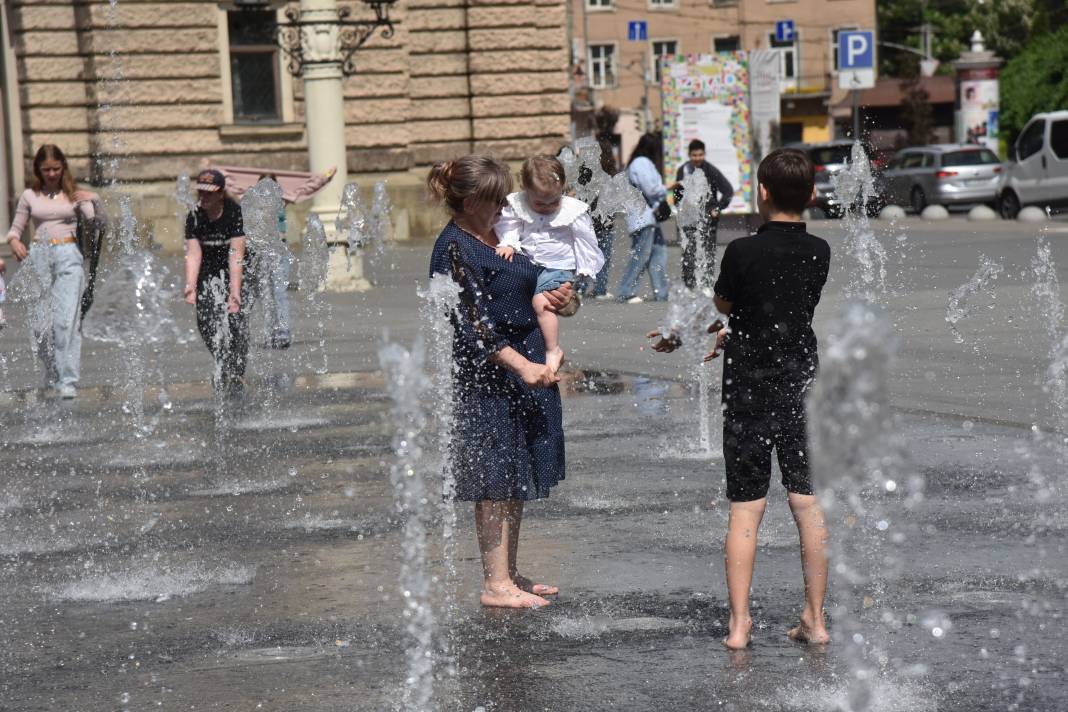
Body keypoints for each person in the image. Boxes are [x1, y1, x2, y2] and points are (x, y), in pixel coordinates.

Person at [647, 148, 831, 649]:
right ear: (812, 195)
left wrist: (702, 331)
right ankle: (815, 620)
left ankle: (738, 626)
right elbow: (784, 312)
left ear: (763, 193)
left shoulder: (741, 252)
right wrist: (734, 328)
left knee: (746, 509)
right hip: (799, 383)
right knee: (806, 502)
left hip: (749, 386)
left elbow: (728, 305)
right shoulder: (820, 251)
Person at [428, 155, 573, 609]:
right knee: (493, 476)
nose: (504, 208)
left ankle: (507, 571)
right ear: (470, 201)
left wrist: (563, 300)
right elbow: (473, 326)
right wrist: (521, 366)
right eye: (494, 201)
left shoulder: (503, 232)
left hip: (527, 366)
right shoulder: (453, 247)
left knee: (516, 472)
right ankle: (494, 584)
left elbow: (540, 286)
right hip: (488, 375)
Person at [495, 155, 604, 373]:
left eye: (554, 201)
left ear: (562, 187)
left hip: (557, 266)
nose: (547, 207)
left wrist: (585, 268)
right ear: (525, 188)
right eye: (539, 203)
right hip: (528, 263)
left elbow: (585, 239)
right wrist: (508, 243)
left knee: (540, 304)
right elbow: (511, 226)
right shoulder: (518, 204)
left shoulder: (572, 210)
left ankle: (553, 349)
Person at [4, 144, 97, 398]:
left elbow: (96, 222)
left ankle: (67, 380)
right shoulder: (29, 196)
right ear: (38, 170)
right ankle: (53, 371)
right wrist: (14, 241)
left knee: (66, 321)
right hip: (39, 257)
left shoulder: (73, 195)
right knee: (40, 325)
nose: (52, 174)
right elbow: (15, 229)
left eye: (56, 169)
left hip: (69, 256)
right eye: (46, 170)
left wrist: (94, 200)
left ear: (63, 168)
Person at [183, 168, 251, 397]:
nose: (204, 197)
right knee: (205, 323)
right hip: (208, 273)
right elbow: (193, 254)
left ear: (221, 193)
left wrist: (235, 292)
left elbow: (237, 253)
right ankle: (223, 363)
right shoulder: (194, 215)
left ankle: (238, 374)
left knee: (236, 324)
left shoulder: (234, 212)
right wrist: (190, 286)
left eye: (210, 193)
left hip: (236, 271)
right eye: (201, 192)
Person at [674, 139, 734, 291]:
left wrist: (718, 208)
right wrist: (681, 208)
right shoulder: (684, 170)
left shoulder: (710, 170)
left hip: (708, 219)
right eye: (694, 155)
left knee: (708, 252)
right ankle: (689, 287)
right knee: (688, 253)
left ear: (704, 154)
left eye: (700, 155)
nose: (697, 158)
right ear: (689, 155)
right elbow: (677, 194)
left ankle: (706, 286)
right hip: (689, 218)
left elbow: (728, 190)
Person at [617, 133, 670, 303]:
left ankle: (662, 293)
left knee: (658, 254)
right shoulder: (641, 163)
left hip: (647, 217)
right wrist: (667, 187)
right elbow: (651, 189)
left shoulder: (639, 162)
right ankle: (626, 290)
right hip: (643, 217)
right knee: (640, 255)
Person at [254, 173, 292, 349]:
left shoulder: (281, 201)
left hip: (279, 250)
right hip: (261, 252)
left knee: (279, 291)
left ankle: (284, 331)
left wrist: (323, 178)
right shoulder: (254, 204)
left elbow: (306, 190)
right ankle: (271, 331)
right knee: (265, 293)